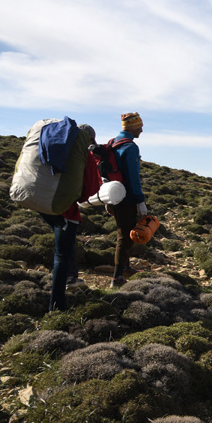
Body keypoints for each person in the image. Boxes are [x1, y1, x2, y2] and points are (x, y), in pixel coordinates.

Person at [39, 123, 101, 311]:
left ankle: (71, 276)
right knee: (61, 256)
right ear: (88, 139)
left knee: (64, 246)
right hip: (66, 210)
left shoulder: (53, 146)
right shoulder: (84, 155)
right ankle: (57, 306)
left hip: (43, 203)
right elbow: (89, 189)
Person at [109, 112, 148, 288]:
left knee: (123, 233)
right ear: (132, 127)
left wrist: (108, 198)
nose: (142, 128)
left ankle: (125, 267)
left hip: (114, 194)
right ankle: (117, 278)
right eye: (139, 126)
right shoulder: (130, 147)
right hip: (127, 197)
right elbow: (133, 177)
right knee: (125, 236)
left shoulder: (112, 143)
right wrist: (140, 200)